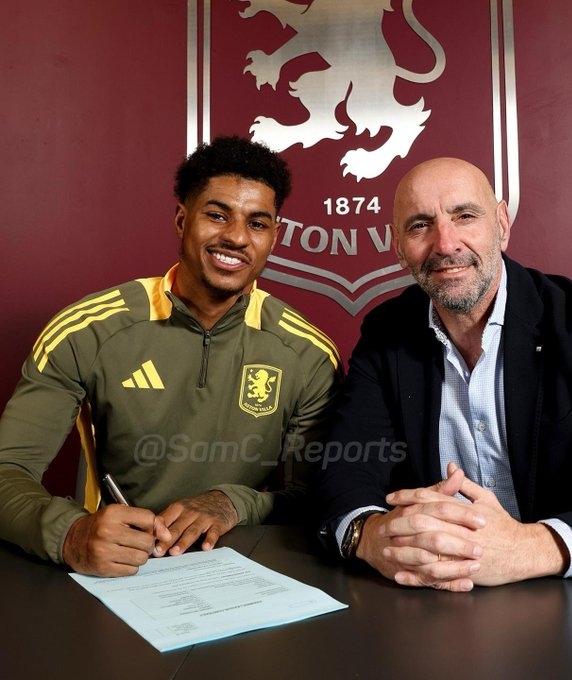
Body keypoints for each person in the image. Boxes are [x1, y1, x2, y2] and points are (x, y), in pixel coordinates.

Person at [316, 157, 572, 590]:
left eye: (464, 216)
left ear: (502, 224)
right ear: (398, 247)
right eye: (420, 226)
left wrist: (531, 547)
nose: (445, 243)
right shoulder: (386, 333)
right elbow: (345, 464)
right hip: (436, 599)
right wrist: (368, 534)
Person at [0, 135, 342, 577]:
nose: (237, 237)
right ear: (182, 220)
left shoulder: (308, 354)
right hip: (118, 568)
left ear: (274, 236)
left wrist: (233, 502)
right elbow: (7, 470)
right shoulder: (88, 331)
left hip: (242, 569)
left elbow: (318, 497)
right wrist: (70, 533)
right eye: (217, 215)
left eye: (257, 223)